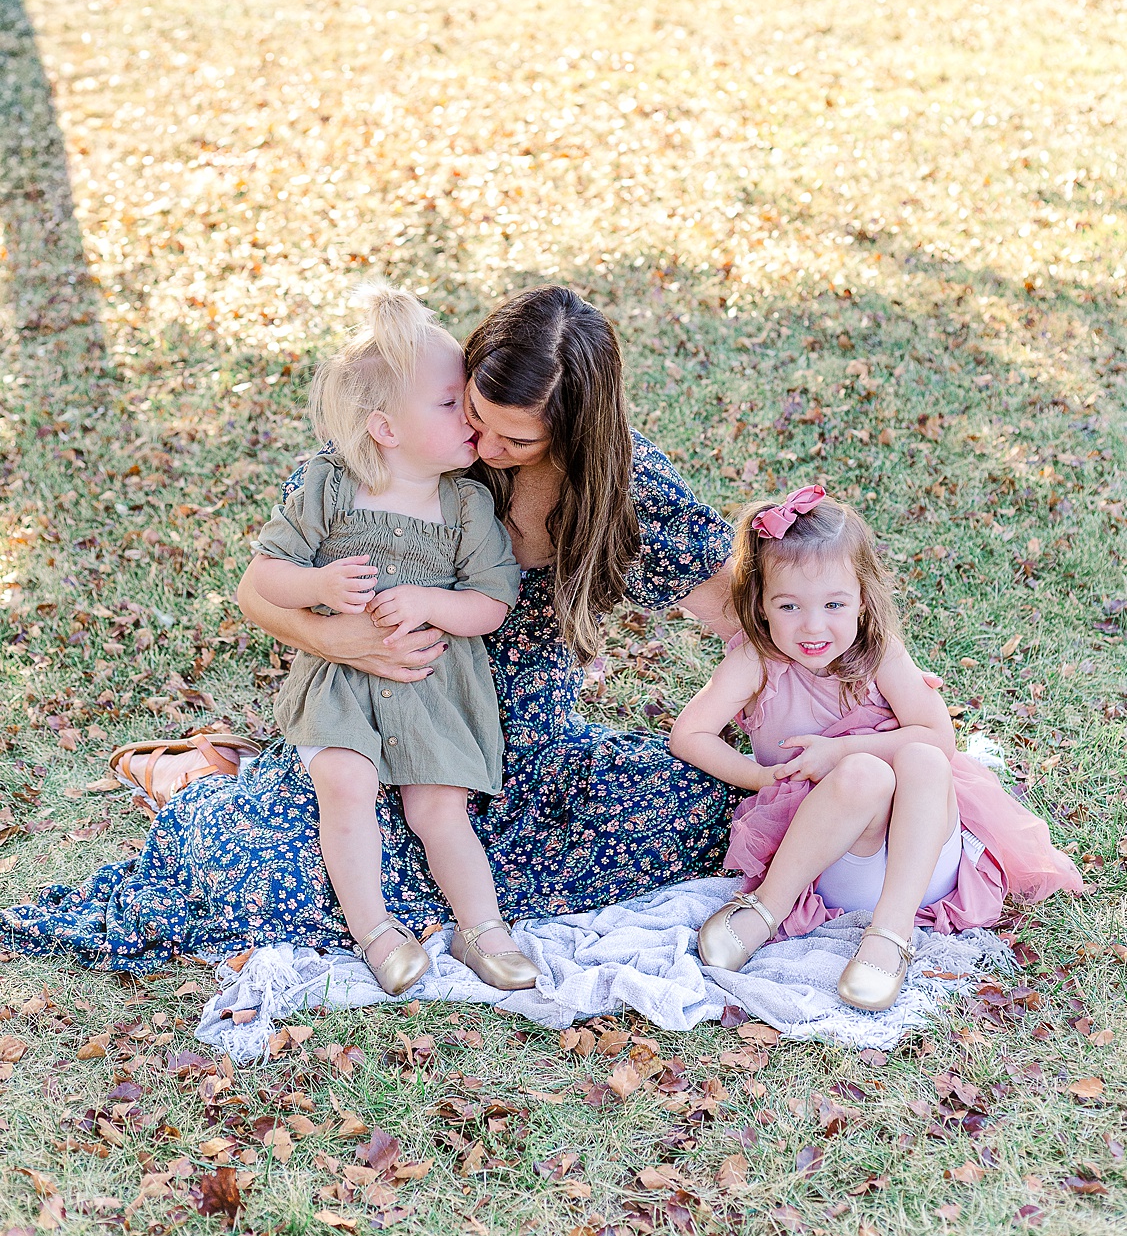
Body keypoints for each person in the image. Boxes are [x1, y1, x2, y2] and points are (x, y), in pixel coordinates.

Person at [3, 287, 743, 969]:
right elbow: (256, 589)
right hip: (372, 725)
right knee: (271, 878)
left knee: (698, 806)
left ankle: (461, 909)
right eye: (475, 416)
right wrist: (335, 638)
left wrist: (821, 705)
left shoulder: (627, 485)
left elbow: (747, 621)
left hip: (513, 748)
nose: (484, 448)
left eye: (516, 442)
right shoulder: (394, 456)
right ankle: (200, 774)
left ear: (575, 431)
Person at [670, 485, 1084, 1012]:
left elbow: (939, 737)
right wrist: (762, 777)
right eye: (790, 605)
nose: (814, 625)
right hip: (825, 861)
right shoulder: (758, 661)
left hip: (922, 865)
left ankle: (891, 936)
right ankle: (766, 908)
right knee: (864, 776)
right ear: (761, 606)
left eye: (835, 604)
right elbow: (690, 734)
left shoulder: (880, 653)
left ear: (863, 602)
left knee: (921, 756)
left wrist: (838, 752)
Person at [252, 283, 537, 994]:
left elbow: (492, 604)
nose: (469, 416)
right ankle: (375, 931)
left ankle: (482, 929)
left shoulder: (466, 503)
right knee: (342, 782)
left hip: (430, 680)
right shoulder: (330, 484)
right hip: (340, 682)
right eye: (450, 404)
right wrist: (317, 589)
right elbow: (264, 574)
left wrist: (431, 601)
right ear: (384, 427)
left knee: (437, 804)